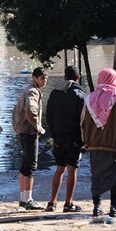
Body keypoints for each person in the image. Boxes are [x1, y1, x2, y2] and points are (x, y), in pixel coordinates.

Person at [81, 68, 116, 217]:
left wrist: (86, 141)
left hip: (95, 145)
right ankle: (113, 207)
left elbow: (83, 123)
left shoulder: (90, 98)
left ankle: (97, 207)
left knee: (96, 176)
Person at [45, 65, 85, 213]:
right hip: (74, 137)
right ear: (78, 78)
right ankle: (68, 203)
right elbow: (83, 120)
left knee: (59, 168)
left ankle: (52, 202)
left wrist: (54, 134)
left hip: (58, 136)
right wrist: (84, 139)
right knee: (72, 169)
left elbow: (48, 115)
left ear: (64, 76)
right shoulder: (79, 95)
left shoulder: (54, 93)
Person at [12, 67, 48, 210]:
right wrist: (36, 125)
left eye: (46, 78)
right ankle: (28, 199)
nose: (44, 81)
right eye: (42, 78)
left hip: (23, 130)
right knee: (31, 165)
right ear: (34, 78)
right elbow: (30, 109)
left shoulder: (28, 89)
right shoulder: (33, 91)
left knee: (26, 165)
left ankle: (23, 198)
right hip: (29, 132)